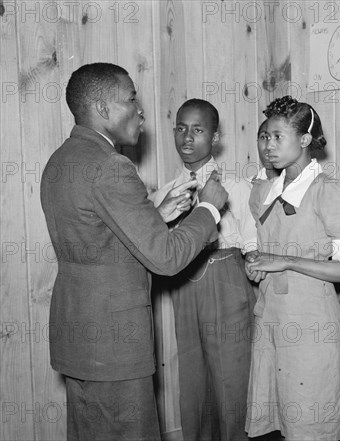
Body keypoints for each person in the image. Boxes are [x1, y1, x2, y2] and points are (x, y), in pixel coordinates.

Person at [40, 63, 228, 441]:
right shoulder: (112, 166)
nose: (140, 111)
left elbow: (100, 241)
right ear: (103, 108)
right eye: (131, 99)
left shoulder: (62, 160)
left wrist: (155, 215)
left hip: (79, 337)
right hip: (115, 344)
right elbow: (166, 258)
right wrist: (208, 209)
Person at [244, 96, 340, 440]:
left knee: (311, 423)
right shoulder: (265, 191)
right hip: (270, 319)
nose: (268, 145)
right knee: (276, 419)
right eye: (265, 136)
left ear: (305, 140)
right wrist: (260, 267)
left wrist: (284, 262)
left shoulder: (331, 193)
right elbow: (270, 254)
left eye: (278, 136)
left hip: (311, 325)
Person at [151, 99, 256, 441]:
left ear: (215, 137)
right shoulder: (166, 193)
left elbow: (254, 249)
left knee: (231, 380)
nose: (187, 137)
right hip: (184, 284)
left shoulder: (237, 188)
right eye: (181, 128)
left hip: (226, 280)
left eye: (198, 130)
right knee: (193, 382)